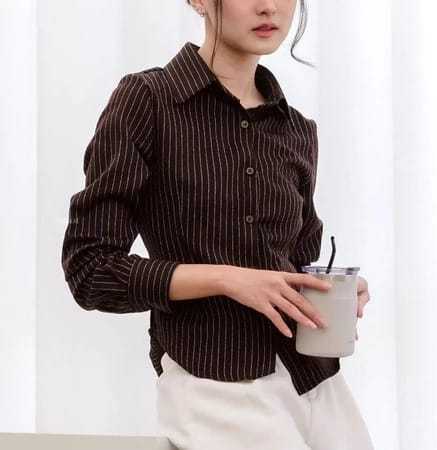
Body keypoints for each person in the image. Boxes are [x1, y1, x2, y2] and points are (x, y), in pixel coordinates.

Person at [61, 0, 374, 448]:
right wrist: (227, 279)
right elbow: (90, 269)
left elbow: (294, 265)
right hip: (213, 381)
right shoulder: (147, 101)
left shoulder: (297, 129)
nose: (269, 7)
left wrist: (330, 292)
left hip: (313, 379)